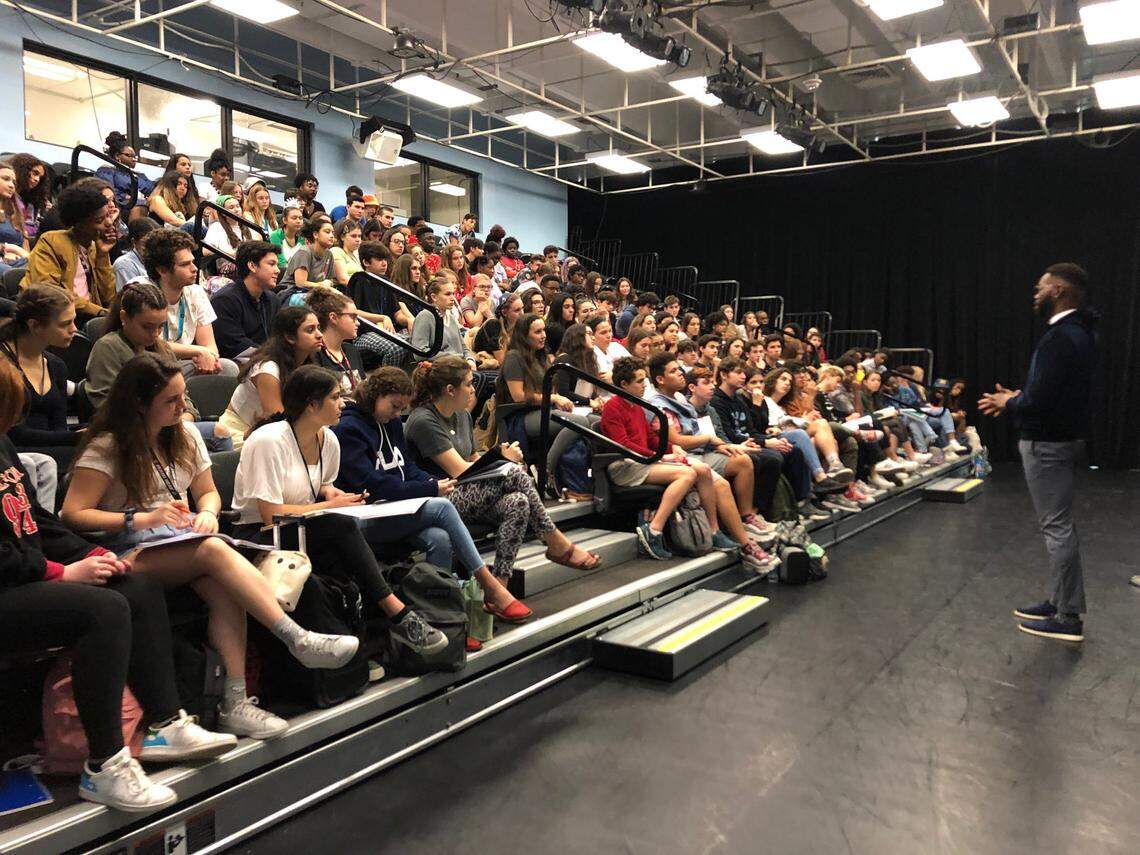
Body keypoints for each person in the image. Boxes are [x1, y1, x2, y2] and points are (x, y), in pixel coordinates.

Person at [62, 354, 360, 742]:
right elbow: (73, 514)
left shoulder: (183, 436)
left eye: (182, 397)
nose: (182, 406)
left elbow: (207, 494)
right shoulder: (108, 445)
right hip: (123, 551)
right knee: (215, 552)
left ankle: (235, 703)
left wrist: (206, 513)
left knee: (222, 581)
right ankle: (296, 638)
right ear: (139, 402)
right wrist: (140, 519)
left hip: (177, 541)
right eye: (171, 401)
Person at [0, 358, 242, 811]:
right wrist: (62, 572)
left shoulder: (2, 446)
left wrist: (93, 554)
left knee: (138, 585)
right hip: (10, 588)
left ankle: (166, 723)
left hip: (25, 574)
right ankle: (105, 764)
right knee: (104, 609)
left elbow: (39, 524)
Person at [231, 365, 449, 657]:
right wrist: (329, 505)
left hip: (303, 528)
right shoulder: (268, 440)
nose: (343, 402)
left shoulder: (328, 439)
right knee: (342, 528)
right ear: (311, 404)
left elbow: (321, 487)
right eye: (335, 397)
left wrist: (336, 495)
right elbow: (271, 514)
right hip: (258, 535)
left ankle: (367, 643)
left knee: (348, 539)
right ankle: (398, 616)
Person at [331, 367, 528, 632]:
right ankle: (490, 585)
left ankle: (442, 618)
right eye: (393, 406)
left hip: (396, 509)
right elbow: (372, 484)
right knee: (442, 506)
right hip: (366, 516)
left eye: (401, 407)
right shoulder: (349, 430)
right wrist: (429, 489)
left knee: (439, 538)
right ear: (376, 395)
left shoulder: (391, 423)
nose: (396, 413)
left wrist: (430, 482)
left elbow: (407, 468)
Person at [405, 357, 599, 609]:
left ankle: (500, 586)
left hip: (467, 493)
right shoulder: (424, 420)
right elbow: (459, 470)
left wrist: (499, 457)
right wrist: (501, 460)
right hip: (439, 499)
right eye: (468, 384)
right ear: (450, 390)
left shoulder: (461, 415)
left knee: (517, 502)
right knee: (513, 473)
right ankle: (555, 540)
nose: (474, 389)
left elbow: (473, 458)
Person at [978, 263, 1098, 643]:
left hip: (1047, 443)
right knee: (1060, 525)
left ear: (1059, 291)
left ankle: (1067, 617)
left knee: (1057, 528)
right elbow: (1055, 394)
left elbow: (1043, 400)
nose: (1035, 292)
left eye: (1041, 287)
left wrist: (1012, 403)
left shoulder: (1062, 337)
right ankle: (1061, 600)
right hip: (1060, 439)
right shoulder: (1080, 333)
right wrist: (1018, 399)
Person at [644, 354, 777, 570]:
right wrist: (709, 440)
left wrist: (719, 445)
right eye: (673, 371)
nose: (680, 373)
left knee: (742, 460)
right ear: (660, 379)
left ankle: (746, 517)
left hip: (702, 451)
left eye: (679, 369)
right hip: (684, 455)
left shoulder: (679, 398)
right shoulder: (658, 405)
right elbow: (677, 441)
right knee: (721, 485)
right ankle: (746, 545)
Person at [1, 286, 81, 493]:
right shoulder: (4, 366)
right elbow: (14, 433)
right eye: (65, 324)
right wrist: (78, 437)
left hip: (50, 447)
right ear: (35, 325)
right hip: (13, 451)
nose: (74, 329)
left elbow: (59, 427)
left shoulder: (56, 366)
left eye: (74, 320)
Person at [219, 305, 321, 447]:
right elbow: (279, 423)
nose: (319, 334)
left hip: (268, 435)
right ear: (290, 337)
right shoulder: (268, 370)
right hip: (238, 435)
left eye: (318, 327)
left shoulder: (306, 365)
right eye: (310, 330)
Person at [143, 228, 238, 378]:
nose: (194, 269)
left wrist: (208, 356)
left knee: (228, 368)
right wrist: (199, 351)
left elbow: (210, 345)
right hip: (151, 365)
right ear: (162, 270)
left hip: (187, 362)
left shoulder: (196, 291)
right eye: (185, 264)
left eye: (193, 262)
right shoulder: (143, 292)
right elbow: (152, 345)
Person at [24, 184, 117, 322]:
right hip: (57, 318)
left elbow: (108, 297)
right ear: (79, 223)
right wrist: (100, 312)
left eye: (108, 216)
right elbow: (49, 292)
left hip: (90, 319)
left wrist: (103, 255)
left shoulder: (94, 247)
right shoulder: (52, 242)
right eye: (99, 220)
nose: (109, 223)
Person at [210, 240, 282, 361]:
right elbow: (235, 346)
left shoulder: (272, 299)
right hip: (237, 364)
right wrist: (273, 357)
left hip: (266, 360)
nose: (278, 270)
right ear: (252, 266)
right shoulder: (224, 301)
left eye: (277, 265)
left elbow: (278, 336)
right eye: (271, 264)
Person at [307, 286, 364, 393]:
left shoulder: (351, 350)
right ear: (333, 318)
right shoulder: (314, 353)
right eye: (353, 317)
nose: (358, 323)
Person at [95, 132, 155, 215]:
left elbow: (152, 189)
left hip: (145, 202)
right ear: (117, 156)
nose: (134, 159)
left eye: (135, 157)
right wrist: (128, 197)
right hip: (122, 206)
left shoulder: (138, 174)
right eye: (129, 155)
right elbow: (108, 192)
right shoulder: (107, 171)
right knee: (140, 206)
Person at [0, 160, 31, 275]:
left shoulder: (15, 213)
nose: (11, 185)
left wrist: (22, 254)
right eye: (6, 179)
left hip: (18, 262)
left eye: (13, 182)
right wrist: (8, 249)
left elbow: (26, 249)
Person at [10, 153, 51, 241]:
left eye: (40, 177)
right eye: (35, 173)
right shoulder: (7, 196)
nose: (37, 179)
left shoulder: (31, 200)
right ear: (22, 170)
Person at [269, 201, 305, 270]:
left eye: (300, 218)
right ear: (285, 220)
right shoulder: (275, 235)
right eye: (294, 218)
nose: (298, 221)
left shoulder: (302, 238)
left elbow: (303, 260)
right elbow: (281, 263)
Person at [328, 218, 363, 288]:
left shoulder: (355, 254)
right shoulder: (336, 251)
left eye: (359, 236)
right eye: (353, 236)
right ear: (342, 237)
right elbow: (343, 280)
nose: (358, 240)